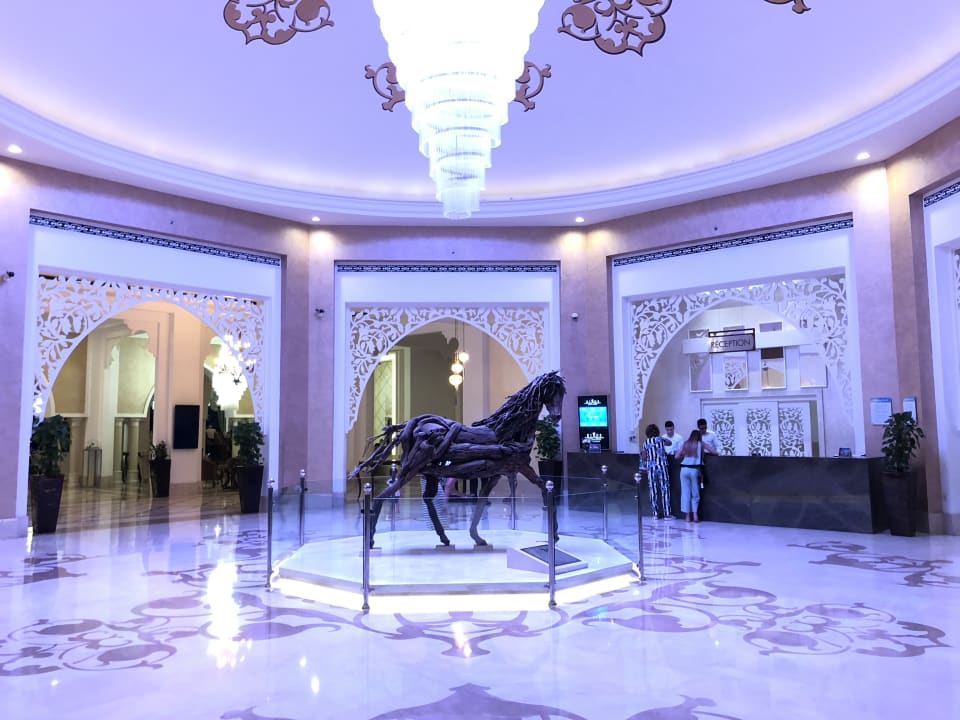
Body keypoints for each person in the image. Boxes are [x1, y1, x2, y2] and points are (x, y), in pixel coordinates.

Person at [677, 429, 716, 522]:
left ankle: (687, 517)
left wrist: (685, 454)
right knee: (695, 493)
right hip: (695, 470)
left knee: (685, 493)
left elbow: (676, 456)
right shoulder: (701, 443)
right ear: (699, 436)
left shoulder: (685, 443)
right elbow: (714, 451)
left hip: (683, 470)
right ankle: (695, 516)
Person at [641, 423, 671, 519]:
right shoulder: (660, 439)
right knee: (665, 489)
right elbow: (670, 443)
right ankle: (667, 514)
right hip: (662, 466)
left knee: (653, 490)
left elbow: (644, 457)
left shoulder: (645, 442)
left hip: (651, 468)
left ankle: (655, 514)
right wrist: (662, 439)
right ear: (657, 431)